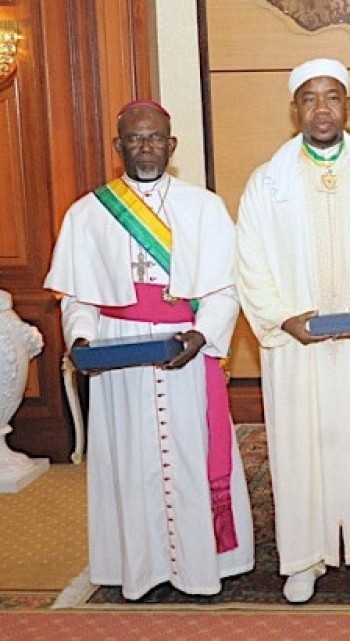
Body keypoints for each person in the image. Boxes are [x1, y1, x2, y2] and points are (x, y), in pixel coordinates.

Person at [44, 100, 254, 600]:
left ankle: (201, 567)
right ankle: (140, 570)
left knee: (190, 456)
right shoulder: (88, 214)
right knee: (130, 462)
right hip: (119, 353)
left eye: (155, 137)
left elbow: (226, 288)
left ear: (171, 144)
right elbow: (77, 299)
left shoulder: (203, 207)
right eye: (135, 138)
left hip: (184, 348)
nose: (145, 146)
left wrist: (202, 335)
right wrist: (81, 340)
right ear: (118, 145)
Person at [236, 58, 350, 602]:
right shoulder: (267, 183)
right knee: (301, 449)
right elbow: (250, 262)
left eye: (332, 96)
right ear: (295, 109)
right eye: (309, 98)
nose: (321, 108)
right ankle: (305, 558)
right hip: (299, 346)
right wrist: (282, 317)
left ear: (347, 105)